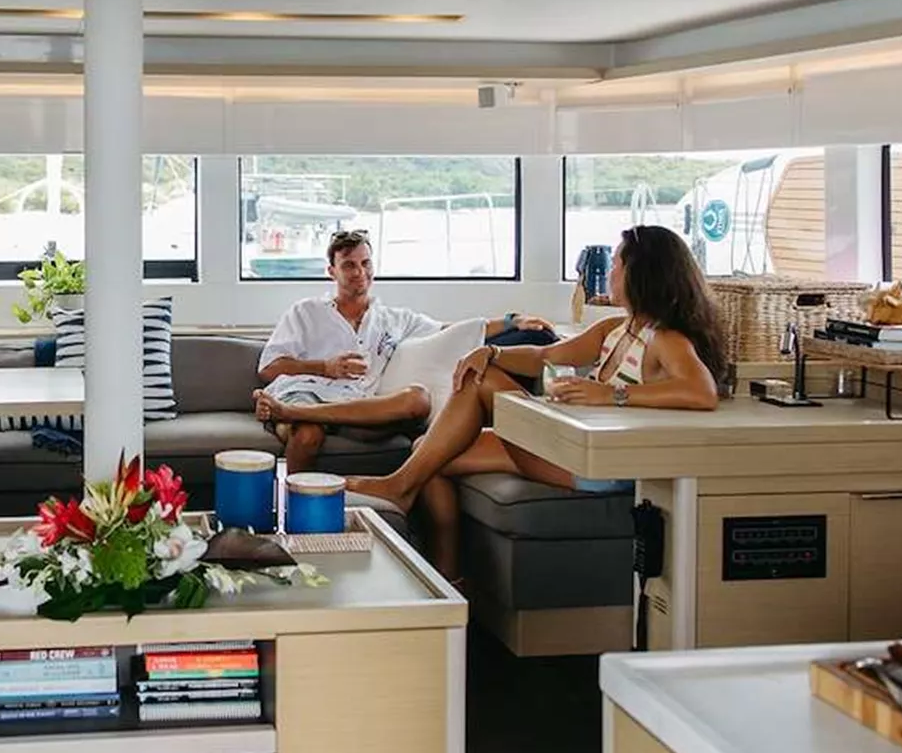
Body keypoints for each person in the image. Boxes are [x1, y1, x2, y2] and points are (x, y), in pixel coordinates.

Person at [346, 225, 727, 579]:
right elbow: (545, 356)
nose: (610, 273)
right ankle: (450, 578)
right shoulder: (614, 329)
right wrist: (492, 351)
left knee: (479, 383)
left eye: (616, 264)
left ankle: (398, 488)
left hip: (594, 465)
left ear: (641, 274)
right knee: (428, 451)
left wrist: (612, 394)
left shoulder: (665, 339)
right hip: (562, 443)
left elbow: (701, 391)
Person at [254, 229, 551, 473]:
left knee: (417, 399)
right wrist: (325, 367)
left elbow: (450, 331)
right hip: (307, 391)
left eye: (365, 263)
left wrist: (513, 320)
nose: (360, 272)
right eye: (349, 265)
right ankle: (295, 509)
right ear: (332, 271)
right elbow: (268, 368)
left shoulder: (394, 319)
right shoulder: (306, 311)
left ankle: (290, 414)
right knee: (308, 434)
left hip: (359, 404)